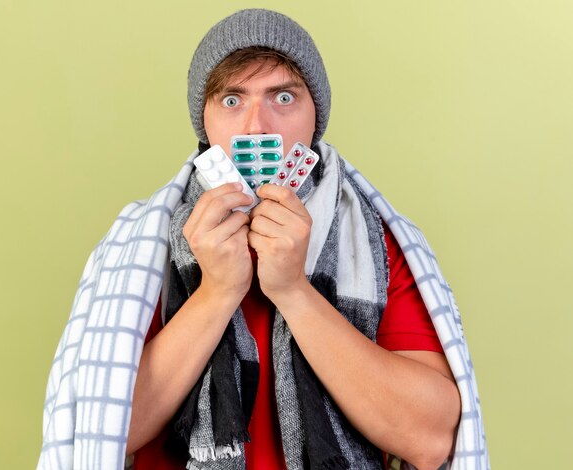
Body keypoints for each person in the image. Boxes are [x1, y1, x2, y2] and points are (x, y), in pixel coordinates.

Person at [37, 9, 489, 470]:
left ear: (317, 116)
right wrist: (216, 293)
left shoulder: (374, 241)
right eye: (232, 101)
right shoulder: (140, 245)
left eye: (284, 97)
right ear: (204, 122)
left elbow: (431, 440)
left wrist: (294, 291)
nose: (257, 126)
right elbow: (102, 431)